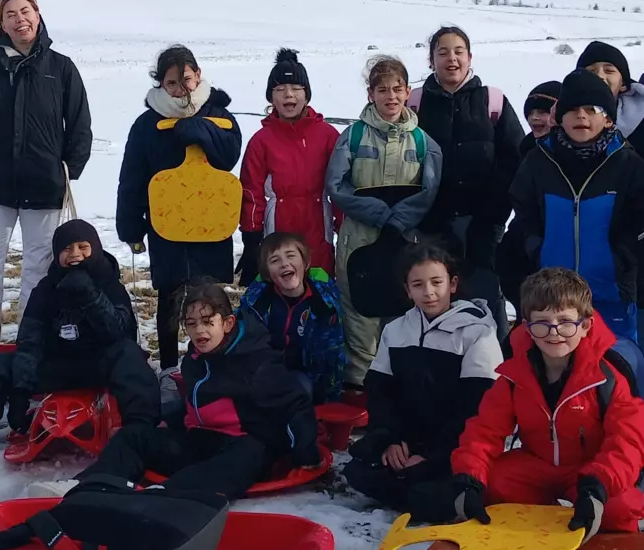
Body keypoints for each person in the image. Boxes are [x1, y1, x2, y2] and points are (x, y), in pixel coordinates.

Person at [418, 268, 644, 535]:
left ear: (585, 326)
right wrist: (469, 480)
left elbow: (628, 440)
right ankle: (540, 523)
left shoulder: (607, 375)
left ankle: (599, 526)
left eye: (565, 322)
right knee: (494, 482)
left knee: (619, 508)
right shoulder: (516, 374)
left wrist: (597, 486)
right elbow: (484, 430)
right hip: (537, 464)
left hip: (589, 469)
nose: (554, 332)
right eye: (542, 322)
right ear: (527, 326)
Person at [78, 281, 318, 499]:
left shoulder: (256, 362)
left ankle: (167, 496)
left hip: (242, 444)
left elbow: (295, 403)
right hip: (200, 441)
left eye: (208, 322)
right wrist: (168, 420)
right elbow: (195, 404)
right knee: (134, 436)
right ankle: (89, 487)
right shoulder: (195, 360)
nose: (199, 330)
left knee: (249, 453)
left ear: (227, 323)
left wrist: (305, 450)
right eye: (191, 324)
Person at [0, 0, 94, 347]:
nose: (20, 19)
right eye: (10, 14)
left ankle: (32, 347)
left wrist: (65, 171)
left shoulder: (61, 68)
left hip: (45, 189)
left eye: (25, 11)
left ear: (38, 14)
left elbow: (80, 125)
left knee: (40, 272)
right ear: (1, 25)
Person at [0, 218, 158, 453]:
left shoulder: (110, 284)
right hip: (56, 364)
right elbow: (30, 342)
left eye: (83, 247)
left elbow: (120, 332)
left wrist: (90, 296)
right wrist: (20, 391)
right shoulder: (45, 289)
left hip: (99, 364)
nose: (75, 254)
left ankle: (140, 430)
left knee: (131, 357)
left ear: (94, 248)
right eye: (67, 248)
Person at [342, 241, 503, 513]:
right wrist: (390, 441)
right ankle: (418, 491)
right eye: (418, 285)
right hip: (408, 439)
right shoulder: (395, 330)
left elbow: (477, 407)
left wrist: (431, 455)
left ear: (452, 284)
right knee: (357, 471)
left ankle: (430, 491)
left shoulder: (477, 332)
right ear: (407, 290)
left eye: (436, 282)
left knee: (432, 484)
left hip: (453, 442)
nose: (428, 292)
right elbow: (381, 393)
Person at [500, 69, 644, 341]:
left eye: (592, 109)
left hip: (610, 294)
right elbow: (524, 214)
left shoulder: (627, 163)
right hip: (551, 298)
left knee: (614, 362)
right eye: (572, 109)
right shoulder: (539, 161)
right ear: (559, 117)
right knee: (555, 363)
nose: (581, 116)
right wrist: (537, 249)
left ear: (608, 119)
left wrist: (621, 258)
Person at [116, 45, 243, 370]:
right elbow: (132, 177)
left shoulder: (220, 117)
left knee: (210, 298)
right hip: (167, 226)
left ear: (197, 76)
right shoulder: (147, 125)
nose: (181, 89)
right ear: (161, 83)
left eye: (186, 80)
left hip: (210, 224)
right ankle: (170, 369)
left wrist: (202, 130)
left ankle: (215, 365)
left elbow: (229, 156)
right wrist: (130, 225)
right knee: (170, 299)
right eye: (172, 83)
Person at [326, 55, 444, 387]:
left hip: (405, 242)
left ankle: (402, 390)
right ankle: (361, 388)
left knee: (403, 309)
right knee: (360, 314)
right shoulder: (351, 137)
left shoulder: (423, 142)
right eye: (382, 90)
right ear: (370, 94)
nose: (390, 96)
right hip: (358, 241)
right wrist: (378, 213)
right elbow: (336, 184)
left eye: (397, 89)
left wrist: (400, 219)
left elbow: (430, 189)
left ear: (407, 92)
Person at [410, 27, 524, 330]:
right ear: (431, 60)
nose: (452, 59)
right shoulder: (414, 104)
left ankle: (495, 357)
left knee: (486, 299)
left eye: (458, 51)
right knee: (434, 299)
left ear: (469, 57)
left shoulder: (493, 101)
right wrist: (421, 214)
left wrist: (494, 215)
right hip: (432, 225)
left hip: (483, 224)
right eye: (443, 52)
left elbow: (513, 160)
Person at [576, 40, 644, 370]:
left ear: (624, 83)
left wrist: (636, 241)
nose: (601, 76)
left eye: (610, 70)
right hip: (580, 266)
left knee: (635, 358)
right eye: (591, 70)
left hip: (636, 264)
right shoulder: (568, 131)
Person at [238, 48, 339, 282]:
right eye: (280, 89)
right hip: (279, 227)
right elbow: (251, 192)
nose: (288, 94)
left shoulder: (327, 136)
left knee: (320, 284)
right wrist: (251, 238)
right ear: (271, 97)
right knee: (283, 284)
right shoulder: (261, 141)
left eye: (296, 88)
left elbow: (341, 185)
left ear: (306, 94)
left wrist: (344, 228)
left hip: (318, 224)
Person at [239, 229, 347, 403]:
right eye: (275, 260)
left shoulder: (323, 304)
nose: (284, 264)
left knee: (298, 388)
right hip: (264, 371)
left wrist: (331, 395)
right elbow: (242, 340)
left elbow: (332, 351)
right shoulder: (257, 302)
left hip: (308, 377)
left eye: (291, 256)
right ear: (267, 273)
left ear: (305, 263)